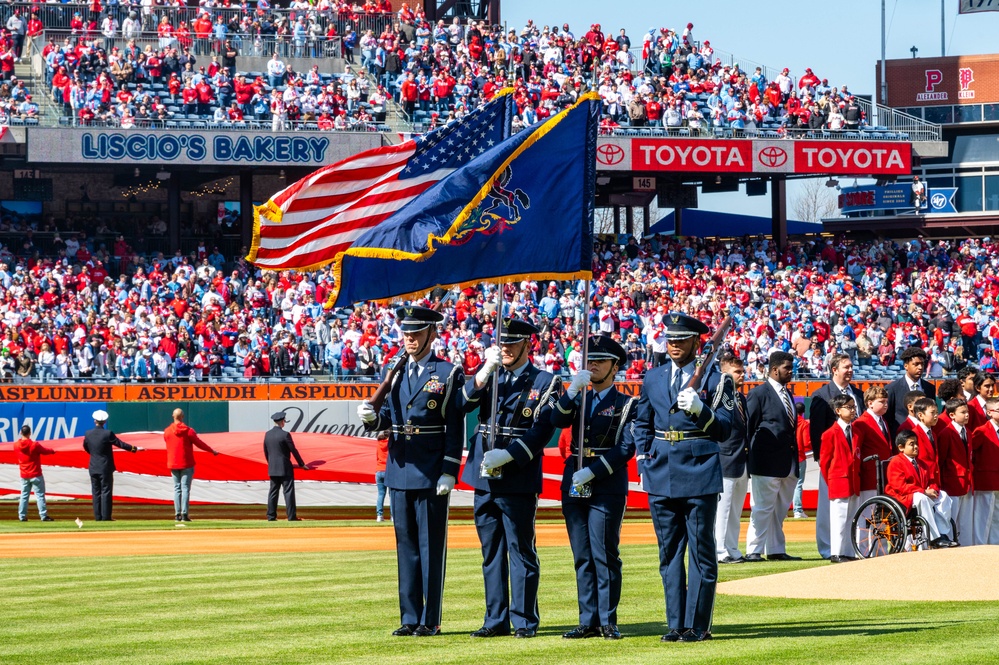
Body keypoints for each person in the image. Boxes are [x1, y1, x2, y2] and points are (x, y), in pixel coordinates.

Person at [357, 306, 466, 637]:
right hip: (400, 467)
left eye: (416, 334)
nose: (410, 339)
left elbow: (454, 424)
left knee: (431, 547)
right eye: (406, 333)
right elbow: (389, 418)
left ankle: (430, 619)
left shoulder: (447, 372)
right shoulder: (397, 372)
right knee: (406, 547)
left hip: (432, 471)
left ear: (432, 334)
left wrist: (449, 469)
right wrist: (371, 419)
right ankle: (409, 617)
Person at [631, 312, 734, 642]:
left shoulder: (717, 381)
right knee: (669, 554)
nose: (674, 344)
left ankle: (698, 625)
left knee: (702, 552)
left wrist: (700, 411)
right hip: (661, 473)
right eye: (670, 339)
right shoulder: (653, 378)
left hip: (700, 471)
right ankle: (675, 623)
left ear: (696, 342)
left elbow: (725, 430)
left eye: (681, 339)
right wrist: (645, 462)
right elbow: (643, 423)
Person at [460, 318, 562, 639]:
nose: (504, 349)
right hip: (483, 474)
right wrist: (483, 371)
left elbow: (541, 430)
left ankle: (524, 621)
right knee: (490, 552)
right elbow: (462, 404)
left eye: (512, 343)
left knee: (520, 550)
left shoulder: (545, 381)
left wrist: (510, 455)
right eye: (501, 343)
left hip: (517, 474)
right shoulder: (490, 376)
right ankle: (495, 619)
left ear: (527, 345)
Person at [550, 335, 636, 640]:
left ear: (615, 367)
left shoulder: (626, 404)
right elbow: (556, 421)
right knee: (582, 554)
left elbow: (626, 448)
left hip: (606, 482)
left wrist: (594, 471)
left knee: (604, 553)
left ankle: (607, 619)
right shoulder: (578, 398)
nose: (594, 364)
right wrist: (572, 390)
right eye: (591, 360)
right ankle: (587, 619)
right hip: (574, 479)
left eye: (601, 360)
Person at [744, 351, 801, 562]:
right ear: (775, 369)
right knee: (761, 509)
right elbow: (749, 428)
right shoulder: (759, 394)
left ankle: (776, 549)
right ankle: (753, 550)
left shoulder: (787, 394)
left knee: (778, 511)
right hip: (765, 462)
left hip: (787, 462)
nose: (791, 371)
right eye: (787, 368)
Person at [808, 354, 865, 559]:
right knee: (828, 507)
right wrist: (822, 459)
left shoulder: (858, 395)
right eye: (845, 367)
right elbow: (816, 430)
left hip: (853, 459)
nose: (850, 370)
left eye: (851, 367)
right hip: (832, 460)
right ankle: (828, 549)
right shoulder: (821, 395)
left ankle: (849, 548)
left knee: (850, 507)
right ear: (834, 369)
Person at [886, 430, 957, 548]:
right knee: (921, 498)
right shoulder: (896, 462)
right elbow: (899, 486)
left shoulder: (921, 463)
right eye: (911, 444)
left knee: (943, 495)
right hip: (903, 497)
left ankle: (943, 533)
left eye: (916, 443)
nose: (916, 447)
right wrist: (923, 491)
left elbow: (932, 481)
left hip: (920, 494)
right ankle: (934, 538)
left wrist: (933, 490)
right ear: (901, 447)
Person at [714, 353, 749, 564]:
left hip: (741, 461)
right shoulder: (719, 397)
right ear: (724, 373)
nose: (742, 375)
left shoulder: (741, 397)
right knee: (723, 509)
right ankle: (719, 550)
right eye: (737, 372)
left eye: (742, 371)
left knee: (735, 510)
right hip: (725, 459)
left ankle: (732, 548)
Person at [819, 394, 861, 563]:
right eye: (848, 407)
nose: (852, 410)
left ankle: (849, 552)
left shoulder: (856, 431)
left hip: (853, 480)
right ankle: (836, 552)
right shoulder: (830, 433)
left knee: (852, 518)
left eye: (853, 407)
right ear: (838, 410)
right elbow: (825, 462)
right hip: (839, 480)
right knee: (839, 518)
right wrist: (833, 479)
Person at [83, 409, 143, 521]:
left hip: (93, 466)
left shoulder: (88, 433)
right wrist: (134, 448)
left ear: (94, 420)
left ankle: (98, 517)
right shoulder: (107, 433)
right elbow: (120, 444)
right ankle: (106, 517)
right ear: (104, 421)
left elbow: (86, 447)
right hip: (105, 467)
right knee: (106, 491)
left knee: (96, 492)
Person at [163, 408, 219, 522]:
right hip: (186, 463)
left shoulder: (167, 431)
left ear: (172, 416)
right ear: (183, 417)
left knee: (177, 488)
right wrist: (211, 451)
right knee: (185, 488)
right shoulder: (188, 431)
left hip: (173, 463)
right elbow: (200, 444)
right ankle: (184, 514)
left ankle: (177, 514)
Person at [937, 398, 974, 546]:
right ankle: (951, 544)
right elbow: (941, 460)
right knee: (952, 517)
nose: (967, 415)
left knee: (965, 520)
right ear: (952, 415)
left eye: (967, 412)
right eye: (963, 412)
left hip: (967, 481)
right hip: (952, 481)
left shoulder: (968, 432)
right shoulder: (946, 433)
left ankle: (965, 545)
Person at [264, 410, 310, 521]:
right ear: (282, 421)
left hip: (273, 468)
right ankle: (291, 516)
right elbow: (293, 450)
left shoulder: (267, 434)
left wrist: (271, 464)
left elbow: (266, 452)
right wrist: (302, 464)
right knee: (288, 492)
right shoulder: (285, 434)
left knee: (273, 492)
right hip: (285, 468)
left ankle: (271, 516)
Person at [853, 386, 894, 503]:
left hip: (883, 473)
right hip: (869, 475)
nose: (886, 404)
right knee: (868, 513)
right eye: (881, 402)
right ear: (870, 403)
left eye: (886, 401)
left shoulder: (883, 421)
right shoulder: (861, 423)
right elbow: (857, 451)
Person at [885, 346, 936, 434]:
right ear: (906, 366)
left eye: (922, 364)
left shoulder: (929, 388)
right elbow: (887, 418)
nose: (920, 367)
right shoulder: (893, 388)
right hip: (903, 438)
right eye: (916, 364)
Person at [971, 396, 999, 545]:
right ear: (989, 412)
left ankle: (994, 546)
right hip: (985, 481)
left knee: (996, 517)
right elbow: (972, 454)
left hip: (997, 482)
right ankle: (980, 546)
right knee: (983, 517)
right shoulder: (981, 431)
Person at [16, 424, 55, 522]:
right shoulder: (34, 445)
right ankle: (43, 515)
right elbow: (45, 451)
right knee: (40, 496)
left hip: (24, 474)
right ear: (30, 433)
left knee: (24, 496)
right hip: (36, 474)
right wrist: (53, 450)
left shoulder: (16, 445)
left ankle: (22, 516)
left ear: (21, 433)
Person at [792, 402, 810, 518]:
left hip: (787, 456)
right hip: (799, 456)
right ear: (803, 412)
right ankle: (797, 510)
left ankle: (781, 511)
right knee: (798, 484)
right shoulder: (803, 423)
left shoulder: (788, 421)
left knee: (782, 483)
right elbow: (806, 442)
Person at [374, 429, 389, 522]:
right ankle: (393, 516)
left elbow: (377, 457)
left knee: (380, 494)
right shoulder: (391, 444)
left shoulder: (379, 444)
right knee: (393, 495)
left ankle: (379, 516)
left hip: (379, 470)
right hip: (389, 470)